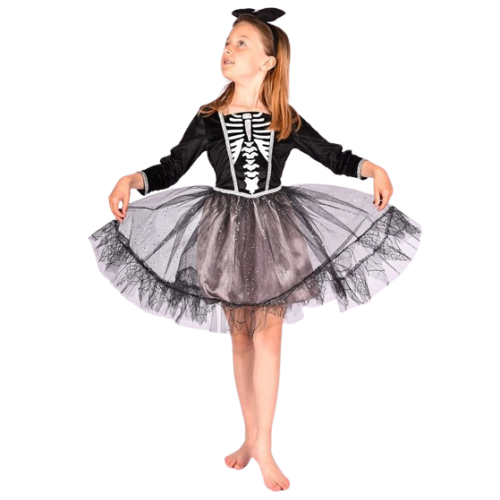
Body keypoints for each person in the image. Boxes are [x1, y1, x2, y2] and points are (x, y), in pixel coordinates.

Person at [87, 7, 423, 493]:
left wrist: (371, 168)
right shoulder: (208, 117)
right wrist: (132, 179)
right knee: (240, 337)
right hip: (222, 234)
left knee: (269, 337)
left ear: (268, 62)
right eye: (227, 42)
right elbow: (172, 165)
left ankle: (263, 446)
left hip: (275, 234)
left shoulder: (285, 117)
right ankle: (251, 437)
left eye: (240, 43)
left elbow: (331, 154)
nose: (228, 49)